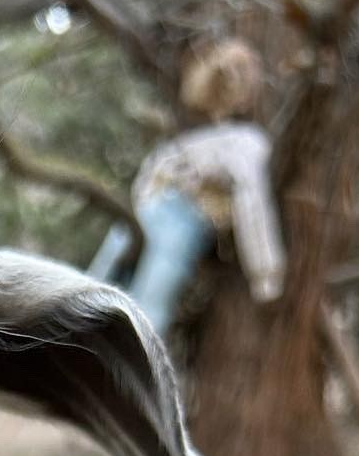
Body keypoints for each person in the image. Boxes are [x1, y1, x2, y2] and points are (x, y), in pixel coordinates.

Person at [90, 39, 287, 335]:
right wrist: (266, 275)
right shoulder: (247, 143)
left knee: (93, 294)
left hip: (144, 212)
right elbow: (252, 204)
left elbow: (147, 180)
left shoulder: (184, 141)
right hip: (180, 224)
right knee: (145, 316)